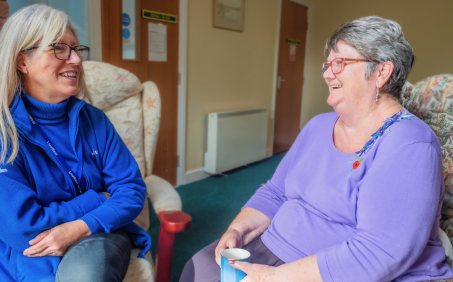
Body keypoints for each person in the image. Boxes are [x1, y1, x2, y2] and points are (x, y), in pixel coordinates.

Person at [180, 16, 453, 282]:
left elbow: (380, 253)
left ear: (381, 72)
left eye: (339, 62)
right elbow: (276, 192)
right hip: (276, 246)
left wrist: (275, 277)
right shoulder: (318, 126)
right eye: (327, 63)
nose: (326, 72)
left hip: (341, 271)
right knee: (198, 268)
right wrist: (238, 228)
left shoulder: (411, 145)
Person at [0, 4, 149, 282]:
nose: (76, 60)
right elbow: (24, 228)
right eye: (60, 48)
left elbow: (131, 190)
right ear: (22, 61)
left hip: (97, 236)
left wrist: (81, 226)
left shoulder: (95, 120)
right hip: (29, 254)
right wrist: (97, 199)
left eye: (77, 49)